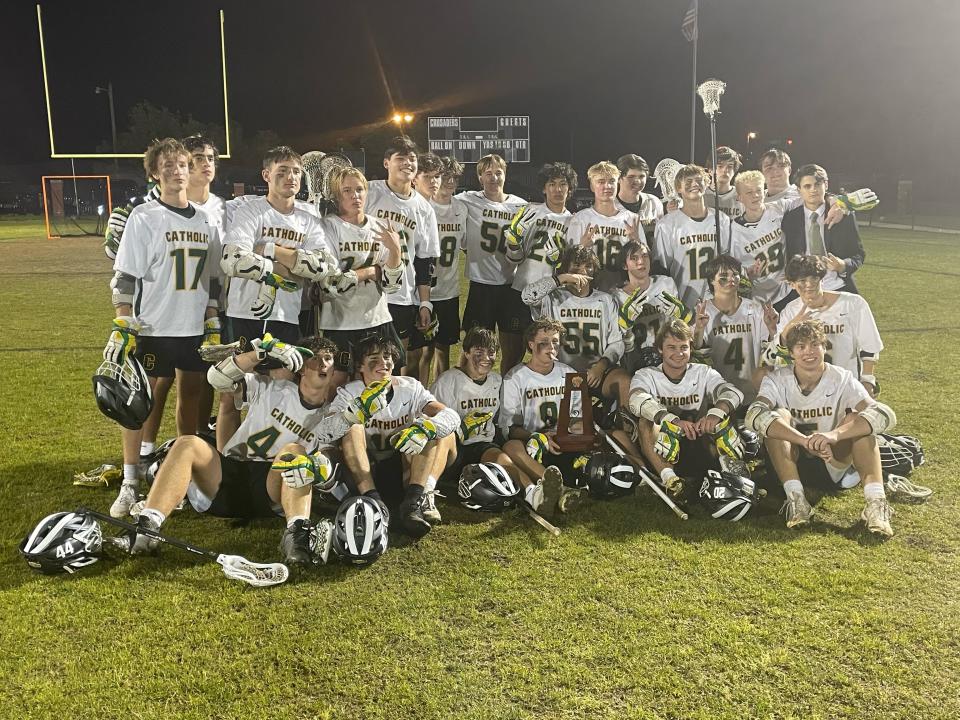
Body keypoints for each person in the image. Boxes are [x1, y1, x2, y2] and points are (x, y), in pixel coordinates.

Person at [128, 336, 343, 565]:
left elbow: (330, 468)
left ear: (333, 370)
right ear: (300, 367)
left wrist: (320, 467)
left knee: (295, 451)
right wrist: (258, 353)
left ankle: (298, 536)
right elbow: (217, 379)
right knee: (187, 443)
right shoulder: (271, 388)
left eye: (328, 359)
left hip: (273, 488)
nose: (322, 364)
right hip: (229, 476)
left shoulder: (331, 417)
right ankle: (148, 527)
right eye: (315, 359)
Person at [105, 138, 222, 518]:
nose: (176, 170)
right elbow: (124, 277)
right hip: (154, 326)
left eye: (182, 164)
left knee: (191, 399)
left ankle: (180, 474)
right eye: (167, 165)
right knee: (139, 405)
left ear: (190, 170)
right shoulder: (144, 216)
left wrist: (213, 323)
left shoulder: (206, 220)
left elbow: (213, 282)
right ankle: (130, 481)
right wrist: (123, 323)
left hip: (192, 328)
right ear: (155, 173)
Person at [216, 146, 342, 448]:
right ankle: (225, 460)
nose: (291, 177)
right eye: (282, 171)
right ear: (267, 175)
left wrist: (268, 250)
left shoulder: (307, 218)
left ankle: (266, 453)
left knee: (280, 389)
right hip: (246, 312)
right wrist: (292, 263)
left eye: (296, 171)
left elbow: (324, 265)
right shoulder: (250, 209)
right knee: (232, 392)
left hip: (286, 314)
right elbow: (232, 259)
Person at [744, 319, 897, 535]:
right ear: (791, 352)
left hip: (831, 461)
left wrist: (834, 435)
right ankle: (797, 501)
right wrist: (804, 440)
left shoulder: (842, 378)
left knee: (862, 424)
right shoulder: (776, 379)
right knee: (778, 416)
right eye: (801, 346)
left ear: (825, 347)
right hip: (791, 460)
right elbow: (754, 416)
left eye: (815, 344)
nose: (809, 352)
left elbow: (883, 415)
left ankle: (876, 504)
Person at [327, 335, 459, 536]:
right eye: (374, 358)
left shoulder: (409, 387)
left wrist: (426, 429)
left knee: (430, 427)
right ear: (359, 366)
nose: (383, 363)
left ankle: (415, 501)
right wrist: (350, 415)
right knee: (351, 427)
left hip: (404, 468)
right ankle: (374, 502)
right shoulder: (350, 392)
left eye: (387, 357)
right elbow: (327, 432)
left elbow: (450, 415)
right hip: (366, 471)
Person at [627, 319, 745, 497]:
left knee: (723, 414)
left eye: (683, 347)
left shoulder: (704, 372)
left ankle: (734, 475)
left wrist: (715, 414)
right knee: (646, 421)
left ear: (691, 347)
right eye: (671, 347)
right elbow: (636, 399)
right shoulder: (647, 374)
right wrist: (671, 420)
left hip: (698, 442)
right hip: (663, 447)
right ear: (660, 348)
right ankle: (671, 481)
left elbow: (733, 393)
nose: (679, 353)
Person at [316, 166, 405, 385]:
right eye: (347, 190)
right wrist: (372, 271)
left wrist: (395, 251)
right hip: (340, 320)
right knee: (337, 384)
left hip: (377, 317)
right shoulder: (328, 227)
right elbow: (332, 283)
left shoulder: (380, 227)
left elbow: (393, 285)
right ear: (337, 196)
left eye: (359, 190)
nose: (355, 196)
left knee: (385, 380)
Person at [366, 137, 440, 378]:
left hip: (402, 295)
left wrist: (425, 302)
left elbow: (425, 259)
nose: (408, 163)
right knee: (362, 361)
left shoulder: (424, 208)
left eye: (412, 159)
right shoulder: (369, 191)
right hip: (366, 289)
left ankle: (392, 414)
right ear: (387, 163)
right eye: (400, 158)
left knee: (394, 362)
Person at [521, 246, 632, 409]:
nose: (583, 271)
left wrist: (601, 366)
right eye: (576, 266)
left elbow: (617, 341)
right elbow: (527, 296)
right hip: (558, 373)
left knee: (624, 381)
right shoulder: (553, 297)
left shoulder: (606, 300)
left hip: (597, 373)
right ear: (566, 269)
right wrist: (562, 278)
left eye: (588, 266)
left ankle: (627, 430)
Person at [430, 327, 532, 501]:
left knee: (502, 459)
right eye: (479, 352)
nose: (486, 358)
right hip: (454, 448)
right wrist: (460, 428)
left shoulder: (496, 381)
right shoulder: (448, 381)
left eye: (491, 353)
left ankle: (533, 492)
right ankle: (427, 489)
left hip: (482, 444)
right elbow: (433, 425)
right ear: (466, 353)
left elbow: (503, 419)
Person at [499, 319, 587, 517]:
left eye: (555, 341)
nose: (551, 347)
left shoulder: (569, 374)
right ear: (531, 344)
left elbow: (577, 416)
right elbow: (510, 428)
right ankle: (559, 488)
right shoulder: (515, 378)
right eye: (544, 341)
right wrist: (539, 436)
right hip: (534, 444)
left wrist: (575, 427)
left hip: (563, 441)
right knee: (510, 447)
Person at [775, 255, 883, 397]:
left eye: (814, 278)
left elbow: (870, 346)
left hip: (846, 386)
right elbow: (779, 354)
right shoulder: (791, 311)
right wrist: (791, 325)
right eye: (802, 280)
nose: (809, 284)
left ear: (822, 278)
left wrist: (868, 380)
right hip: (807, 391)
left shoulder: (853, 304)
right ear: (792, 284)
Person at [458, 154, 527, 374]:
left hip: (511, 285)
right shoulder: (467, 199)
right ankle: (467, 390)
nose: (494, 178)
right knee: (473, 348)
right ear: (479, 177)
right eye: (488, 173)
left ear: (505, 175)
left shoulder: (520, 206)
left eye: (498, 173)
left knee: (513, 349)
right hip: (481, 285)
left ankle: (506, 395)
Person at [504, 162, 577, 353]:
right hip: (521, 288)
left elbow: (570, 269)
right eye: (552, 184)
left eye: (563, 184)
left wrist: (558, 263)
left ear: (570, 189)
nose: (557, 189)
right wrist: (513, 241)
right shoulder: (530, 212)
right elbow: (514, 258)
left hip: (552, 296)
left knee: (549, 353)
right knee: (513, 353)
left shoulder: (574, 222)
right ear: (544, 188)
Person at [693, 254, 777, 403]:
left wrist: (772, 330)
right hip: (718, 395)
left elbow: (770, 354)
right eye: (724, 276)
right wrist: (698, 330)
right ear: (712, 280)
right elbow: (696, 356)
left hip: (753, 392)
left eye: (735, 275)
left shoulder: (756, 309)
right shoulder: (703, 311)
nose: (731, 279)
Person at [652, 164, 734, 308]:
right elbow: (661, 270)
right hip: (683, 303)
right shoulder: (667, 224)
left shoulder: (721, 219)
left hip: (717, 302)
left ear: (707, 183)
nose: (695, 184)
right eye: (688, 182)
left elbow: (728, 260)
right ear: (678, 188)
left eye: (698, 180)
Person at [419, 155, 467, 384]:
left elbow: (465, 244)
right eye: (444, 177)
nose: (449, 182)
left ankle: (440, 395)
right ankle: (418, 396)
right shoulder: (423, 206)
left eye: (454, 178)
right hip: (423, 290)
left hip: (449, 290)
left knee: (443, 349)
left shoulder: (461, 208)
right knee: (421, 352)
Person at [781, 164, 865, 295]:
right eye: (807, 186)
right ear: (799, 190)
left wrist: (843, 265)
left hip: (838, 287)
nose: (813, 190)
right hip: (804, 291)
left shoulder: (843, 216)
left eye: (817, 184)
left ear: (826, 185)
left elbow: (858, 254)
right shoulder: (790, 220)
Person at [565, 161, 642, 291]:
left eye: (612, 181)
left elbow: (644, 262)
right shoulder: (580, 219)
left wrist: (637, 243)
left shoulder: (631, 219)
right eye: (601, 182)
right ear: (592, 186)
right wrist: (582, 247)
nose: (607, 186)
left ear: (617, 184)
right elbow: (569, 263)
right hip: (590, 291)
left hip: (623, 290)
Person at [614, 240, 683, 371]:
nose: (641, 262)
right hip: (634, 361)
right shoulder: (616, 297)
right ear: (624, 265)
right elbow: (616, 342)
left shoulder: (666, 284)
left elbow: (679, 327)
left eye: (645, 256)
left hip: (668, 356)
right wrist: (625, 325)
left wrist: (679, 317)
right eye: (634, 258)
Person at [614, 154, 664, 236]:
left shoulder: (654, 203)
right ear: (618, 178)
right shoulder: (610, 206)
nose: (637, 181)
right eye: (631, 177)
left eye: (641, 176)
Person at [704, 146, 744, 219]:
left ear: (734, 171)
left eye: (730, 166)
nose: (725, 170)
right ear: (710, 170)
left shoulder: (743, 196)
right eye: (720, 166)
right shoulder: (701, 195)